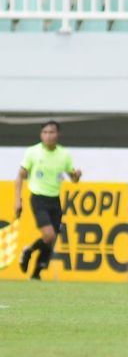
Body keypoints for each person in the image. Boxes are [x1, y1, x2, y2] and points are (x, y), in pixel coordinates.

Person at [13, 120, 82, 280]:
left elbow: (73, 179)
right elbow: (20, 177)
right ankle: (29, 251)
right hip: (38, 198)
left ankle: (36, 273)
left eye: (51, 132)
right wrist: (18, 200)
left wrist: (76, 175)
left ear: (58, 134)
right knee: (49, 235)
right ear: (41, 135)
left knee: (50, 240)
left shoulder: (64, 154)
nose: (48, 136)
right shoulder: (33, 152)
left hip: (55, 199)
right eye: (45, 132)